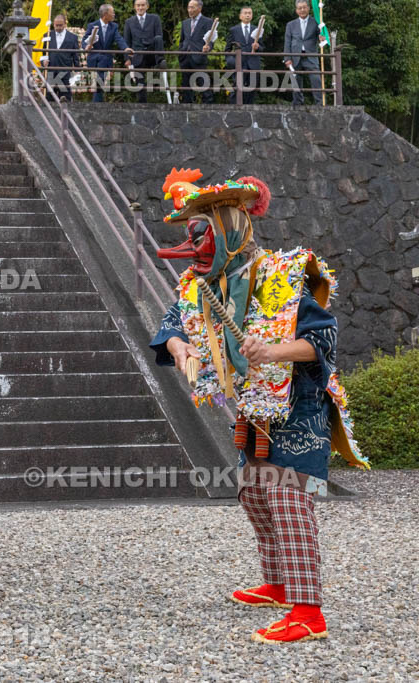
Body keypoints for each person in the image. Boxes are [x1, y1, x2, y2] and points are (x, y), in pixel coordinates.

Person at [149, 168, 369, 644]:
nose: (197, 242)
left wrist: (272, 350)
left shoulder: (282, 275)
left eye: (204, 230)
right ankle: (277, 583)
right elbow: (172, 325)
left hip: (299, 401)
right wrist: (180, 349)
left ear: (229, 228)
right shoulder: (202, 283)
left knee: (287, 496)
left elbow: (323, 338)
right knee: (254, 491)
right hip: (255, 405)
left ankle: (309, 611)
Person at [83, 4, 133, 103]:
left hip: (106, 60)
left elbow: (119, 39)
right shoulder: (92, 25)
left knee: (100, 83)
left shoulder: (113, 26)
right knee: (99, 83)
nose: (114, 14)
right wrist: (86, 46)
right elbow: (84, 40)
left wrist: (126, 48)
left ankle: (97, 105)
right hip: (94, 59)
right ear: (105, 14)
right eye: (112, 12)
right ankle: (97, 105)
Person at [123, 0, 163, 103]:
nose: (140, 7)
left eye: (142, 5)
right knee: (140, 83)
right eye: (138, 5)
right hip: (137, 55)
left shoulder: (155, 18)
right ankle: (142, 106)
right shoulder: (129, 21)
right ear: (134, 7)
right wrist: (127, 59)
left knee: (158, 38)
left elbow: (159, 37)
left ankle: (160, 61)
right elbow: (127, 42)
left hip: (151, 53)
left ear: (147, 6)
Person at [284, 0, 322, 106]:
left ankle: (320, 104)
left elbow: (322, 38)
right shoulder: (290, 25)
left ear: (308, 8)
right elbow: (287, 43)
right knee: (296, 81)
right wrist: (287, 58)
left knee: (316, 80)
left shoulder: (317, 22)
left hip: (311, 55)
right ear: (296, 10)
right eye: (300, 8)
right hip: (295, 56)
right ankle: (297, 104)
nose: (302, 10)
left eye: (304, 7)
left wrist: (322, 38)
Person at [178, 0, 215, 103]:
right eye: (189, 7)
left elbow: (211, 40)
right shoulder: (185, 23)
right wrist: (181, 50)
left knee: (203, 82)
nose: (190, 10)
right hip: (185, 57)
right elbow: (182, 40)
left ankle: (209, 107)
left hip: (199, 56)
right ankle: (186, 108)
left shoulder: (208, 21)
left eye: (192, 7)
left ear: (199, 8)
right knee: (186, 85)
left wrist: (208, 48)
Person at [226, 6, 261, 104]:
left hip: (253, 63)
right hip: (238, 63)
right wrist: (230, 61)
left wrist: (257, 46)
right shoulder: (234, 30)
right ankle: (234, 111)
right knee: (237, 86)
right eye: (245, 13)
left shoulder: (257, 29)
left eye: (249, 13)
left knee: (251, 88)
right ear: (240, 16)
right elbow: (227, 49)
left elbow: (262, 47)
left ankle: (249, 112)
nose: (247, 15)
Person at [42, 14, 79, 102]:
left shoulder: (73, 37)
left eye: (60, 25)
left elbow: (75, 55)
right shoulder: (47, 36)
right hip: (51, 70)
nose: (58, 27)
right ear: (53, 24)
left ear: (65, 24)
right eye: (56, 25)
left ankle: (65, 115)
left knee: (66, 96)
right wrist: (43, 62)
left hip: (65, 70)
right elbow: (43, 52)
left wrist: (77, 70)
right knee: (50, 97)